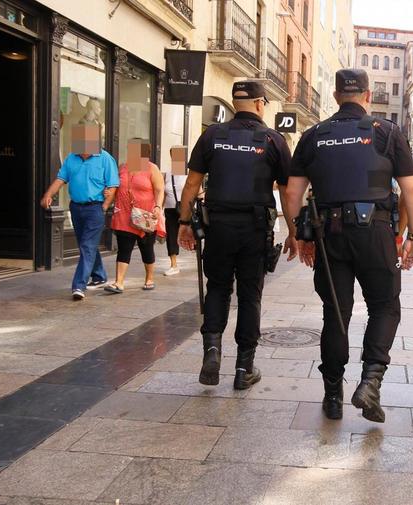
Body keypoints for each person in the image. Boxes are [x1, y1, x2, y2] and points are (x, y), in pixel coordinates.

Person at [284, 69, 413, 423]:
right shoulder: (387, 133)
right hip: (375, 231)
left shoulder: (314, 135)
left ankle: (333, 395)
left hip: (329, 234)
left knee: (336, 312)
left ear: (335, 96)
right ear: (368, 96)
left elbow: (292, 193)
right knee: (385, 307)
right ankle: (371, 381)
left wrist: (299, 234)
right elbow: (411, 191)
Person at [178, 80, 293, 390]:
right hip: (255, 229)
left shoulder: (213, 135)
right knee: (250, 296)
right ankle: (244, 368)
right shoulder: (272, 140)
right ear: (260, 104)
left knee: (217, 288)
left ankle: (212, 352)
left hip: (217, 227)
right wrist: (295, 233)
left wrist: (184, 223)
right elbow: (287, 190)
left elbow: (191, 185)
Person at [39, 124, 119, 301]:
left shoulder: (105, 159)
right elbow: (60, 179)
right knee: (86, 244)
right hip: (76, 207)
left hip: (95, 208)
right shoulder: (71, 159)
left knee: (87, 246)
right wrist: (48, 195)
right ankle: (99, 275)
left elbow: (113, 185)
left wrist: (105, 205)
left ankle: (79, 285)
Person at [105, 139, 165, 293]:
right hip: (124, 214)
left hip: (145, 215)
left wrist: (158, 206)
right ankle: (119, 282)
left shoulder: (152, 168)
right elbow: (115, 186)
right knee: (124, 248)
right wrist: (108, 193)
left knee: (146, 248)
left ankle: (149, 278)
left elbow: (159, 190)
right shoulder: (123, 168)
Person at [163, 146, 189, 276]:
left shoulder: (190, 172)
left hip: (187, 209)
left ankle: (201, 258)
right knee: (172, 237)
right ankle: (173, 265)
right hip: (170, 209)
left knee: (193, 236)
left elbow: (198, 190)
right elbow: (163, 193)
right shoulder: (167, 173)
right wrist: (158, 208)